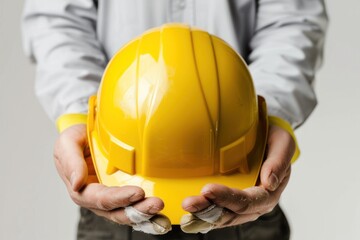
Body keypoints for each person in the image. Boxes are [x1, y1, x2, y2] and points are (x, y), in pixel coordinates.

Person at [22, 0, 328, 239]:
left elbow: (292, 19)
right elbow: (59, 17)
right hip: (118, 188)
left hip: (242, 188)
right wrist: (80, 116)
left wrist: (271, 114)